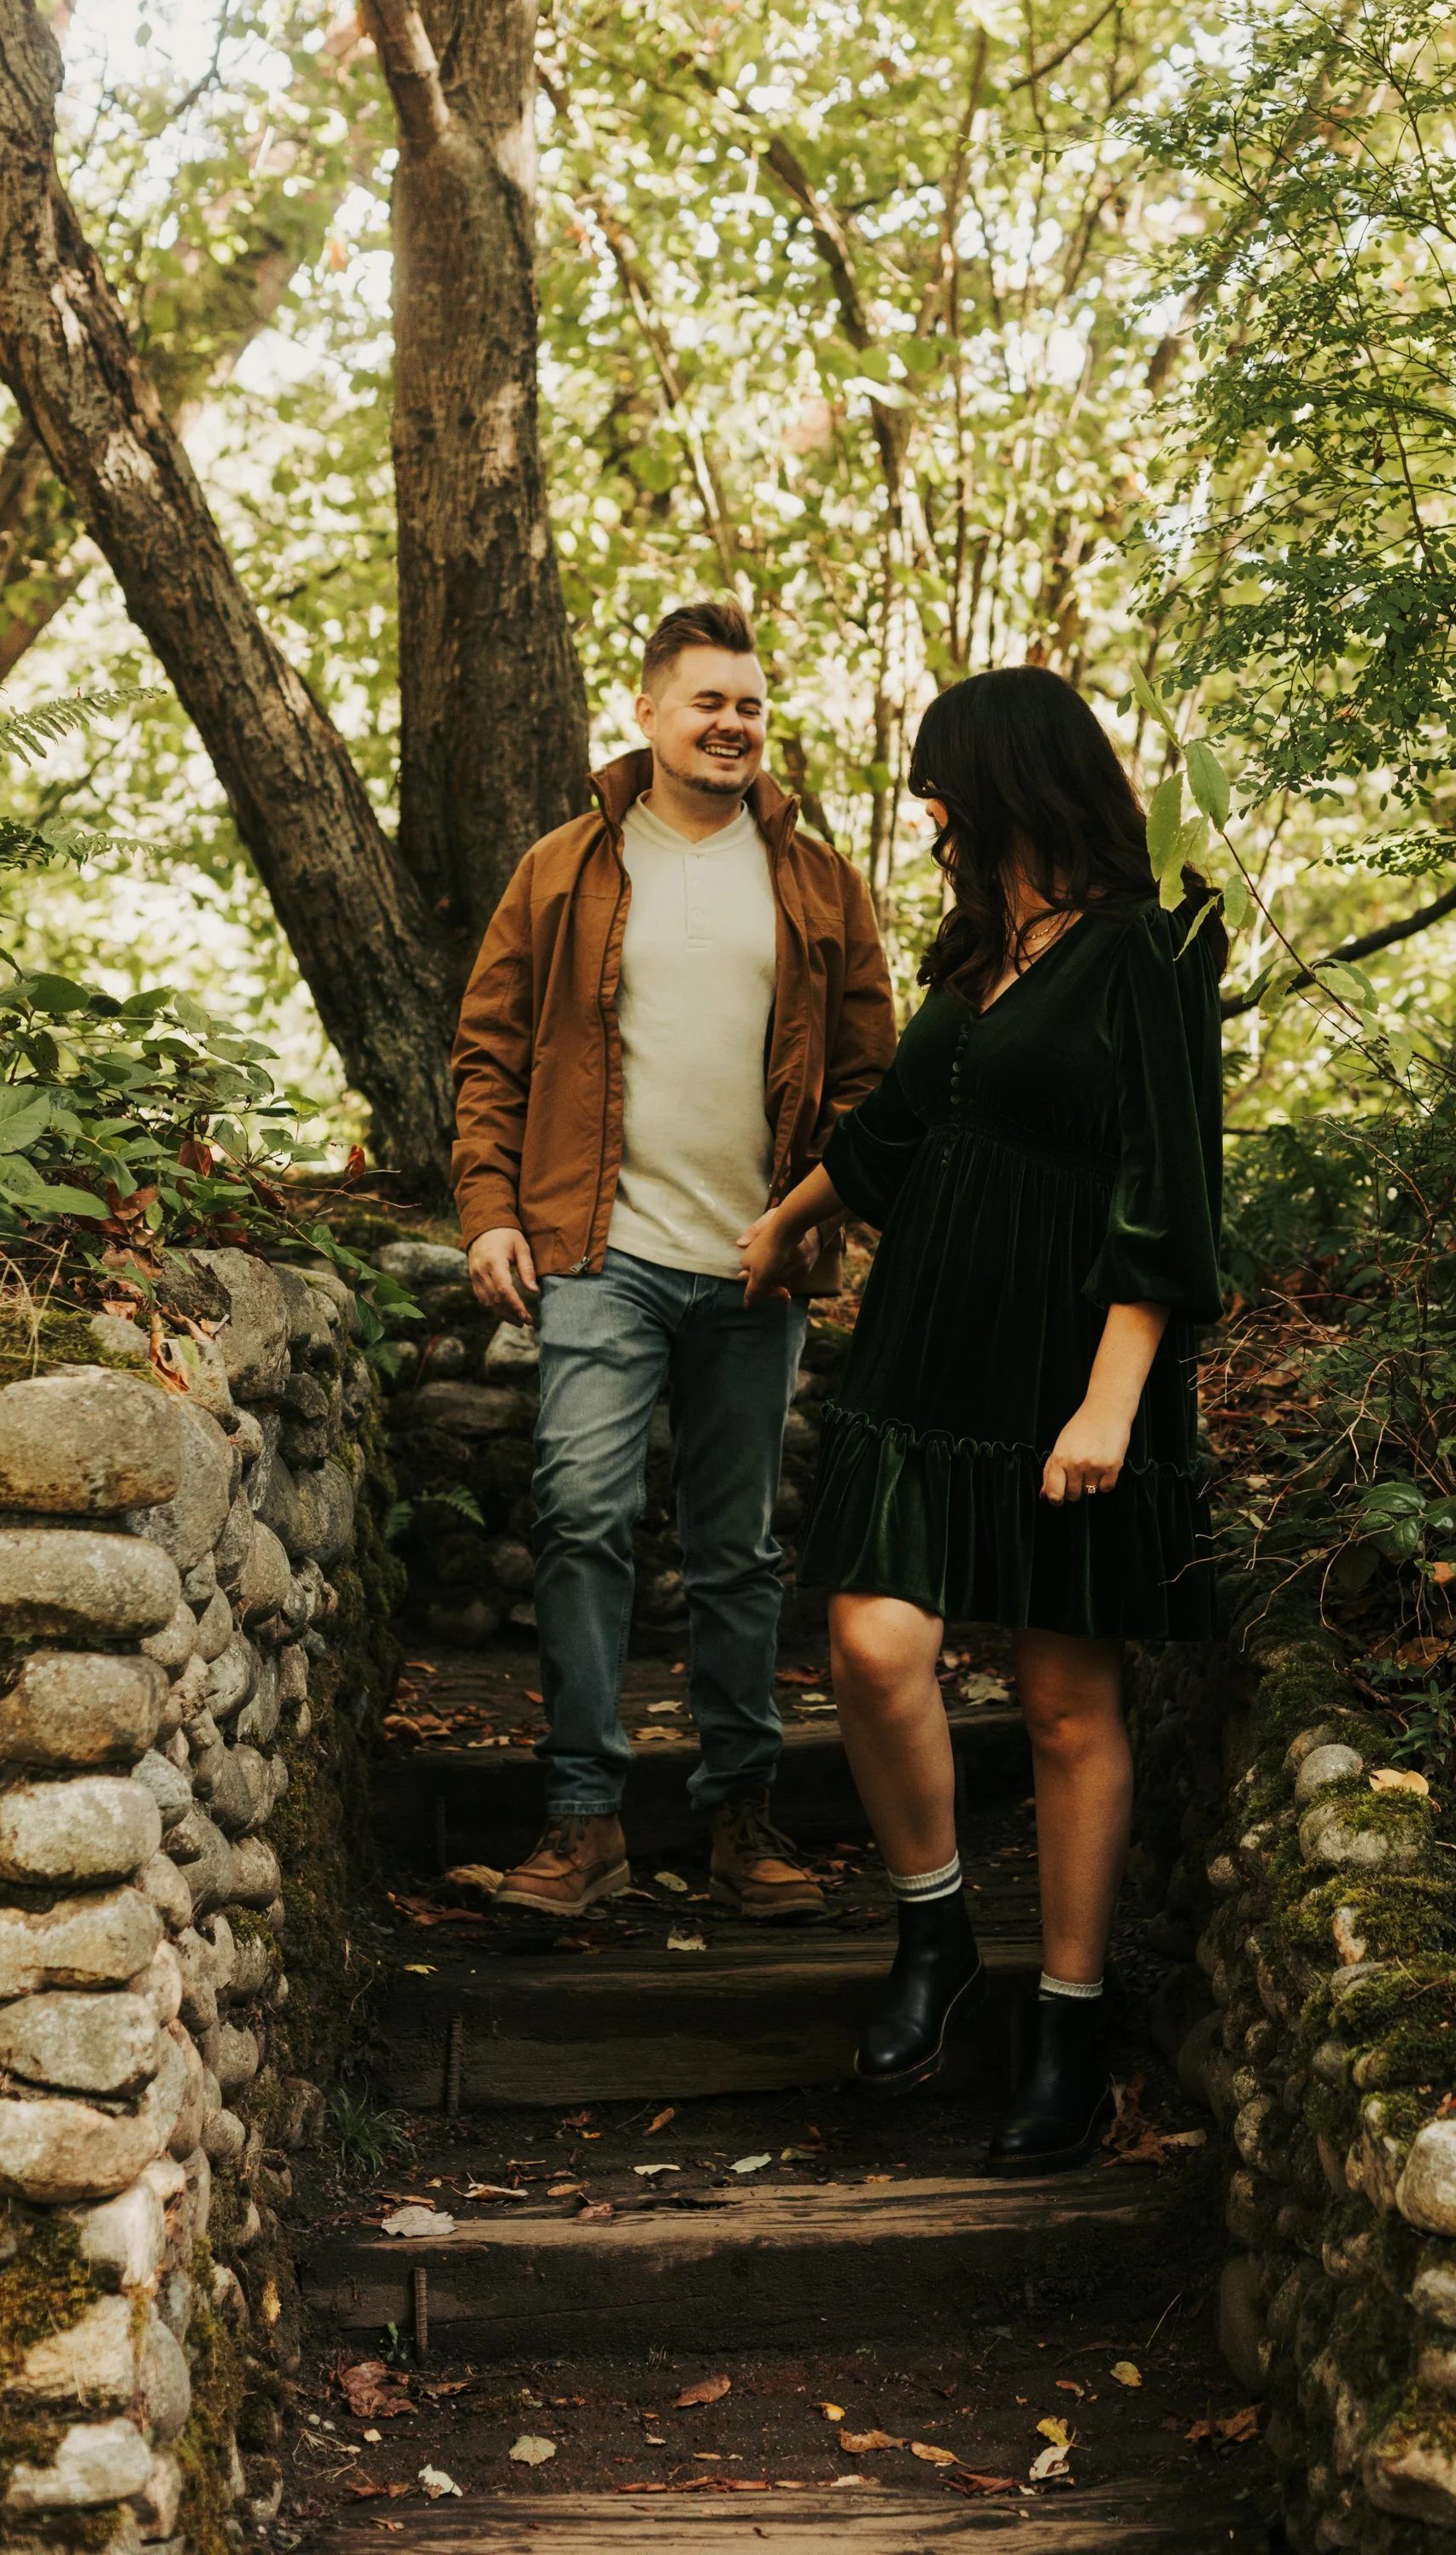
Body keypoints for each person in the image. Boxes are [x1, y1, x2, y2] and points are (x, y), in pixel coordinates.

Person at [737, 668, 1223, 2175]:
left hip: (1070, 1362)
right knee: (872, 1645)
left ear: (1013, 776)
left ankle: (1067, 2030)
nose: (930, 807)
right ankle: (936, 1933)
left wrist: (1110, 1402)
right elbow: (899, 1131)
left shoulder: (1146, 951)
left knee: (1067, 1702)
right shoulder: (976, 951)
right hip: (925, 1353)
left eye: (942, 779)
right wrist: (787, 1221)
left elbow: (1168, 1190)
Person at [451, 600, 896, 1921]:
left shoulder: (817, 882)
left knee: (735, 1550)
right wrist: (489, 1210)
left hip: (758, 1262)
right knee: (581, 1515)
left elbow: (868, 1080)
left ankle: (740, 1819)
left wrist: (813, 1219)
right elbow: (490, 1052)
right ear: (646, 714)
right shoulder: (561, 868)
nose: (732, 724)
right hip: (601, 1251)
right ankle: (583, 1821)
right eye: (707, 702)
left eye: (750, 704)